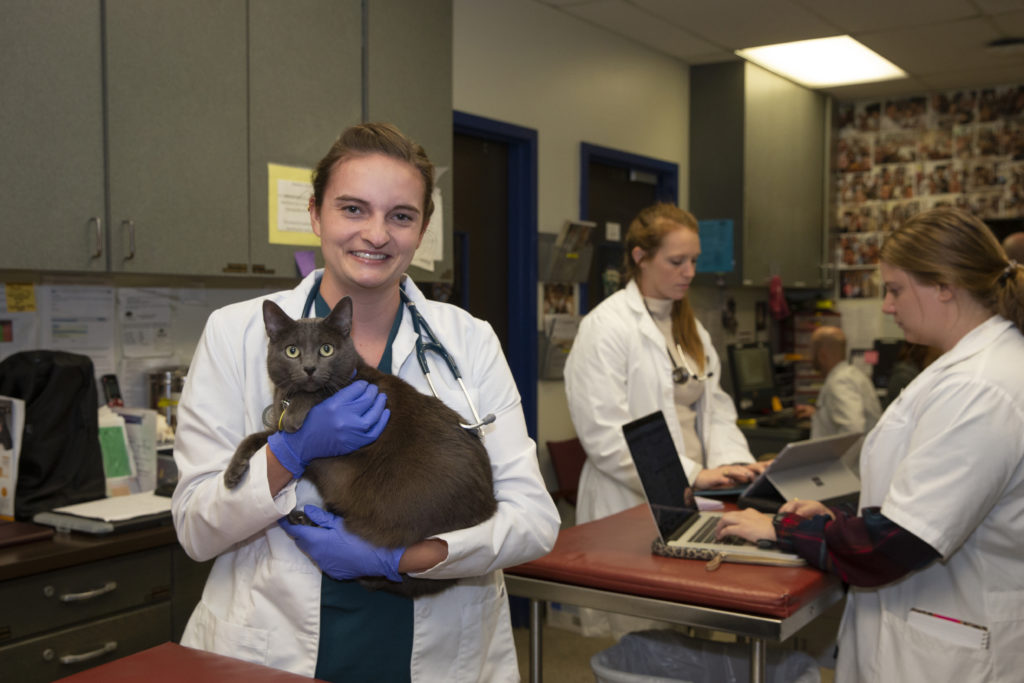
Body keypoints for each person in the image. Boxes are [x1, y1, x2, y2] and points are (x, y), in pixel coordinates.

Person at [171, 122, 560, 682]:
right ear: (315, 215)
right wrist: (291, 451)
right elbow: (195, 527)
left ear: (423, 229)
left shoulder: (468, 340)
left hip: (441, 639)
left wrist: (395, 560)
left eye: (401, 215)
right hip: (273, 644)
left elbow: (532, 520)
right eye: (353, 209)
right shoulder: (234, 333)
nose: (375, 234)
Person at [715, 206, 1024, 682]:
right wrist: (843, 520)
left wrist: (784, 528)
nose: (886, 305)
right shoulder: (974, 368)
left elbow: (896, 544)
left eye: (896, 289)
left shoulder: (979, 388)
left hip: (949, 643)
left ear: (945, 286)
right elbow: (924, 501)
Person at [563, 202, 764, 637]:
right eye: (677, 261)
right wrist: (693, 473)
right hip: (630, 501)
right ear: (640, 257)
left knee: (696, 625)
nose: (689, 272)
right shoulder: (607, 327)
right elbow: (605, 437)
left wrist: (732, 466)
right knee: (644, 640)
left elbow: (716, 408)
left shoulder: (691, 327)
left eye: (694, 261)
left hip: (697, 499)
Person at [794, 325, 882, 439]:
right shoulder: (853, 374)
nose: (811, 357)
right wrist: (818, 414)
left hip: (842, 457)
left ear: (822, 355)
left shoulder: (840, 382)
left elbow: (853, 429)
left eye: (812, 352)